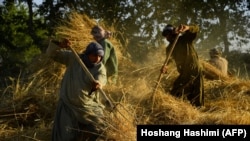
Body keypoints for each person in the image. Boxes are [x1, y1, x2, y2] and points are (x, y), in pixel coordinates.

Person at [46, 39, 108, 141]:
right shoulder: (73, 58)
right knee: (66, 136)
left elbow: (101, 78)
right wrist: (59, 45)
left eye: (100, 56)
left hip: (88, 106)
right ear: (87, 54)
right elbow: (51, 54)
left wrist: (98, 83)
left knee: (99, 129)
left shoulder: (100, 68)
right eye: (94, 55)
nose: (97, 58)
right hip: (68, 104)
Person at [161, 24, 204, 107]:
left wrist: (187, 28)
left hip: (194, 70)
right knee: (178, 92)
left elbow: (195, 29)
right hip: (184, 72)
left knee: (197, 95)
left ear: (173, 33)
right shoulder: (169, 48)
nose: (166, 38)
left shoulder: (185, 39)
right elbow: (169, 60)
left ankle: (198, 112)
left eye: (167, 35)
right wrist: (165, 66)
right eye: (165, 36)